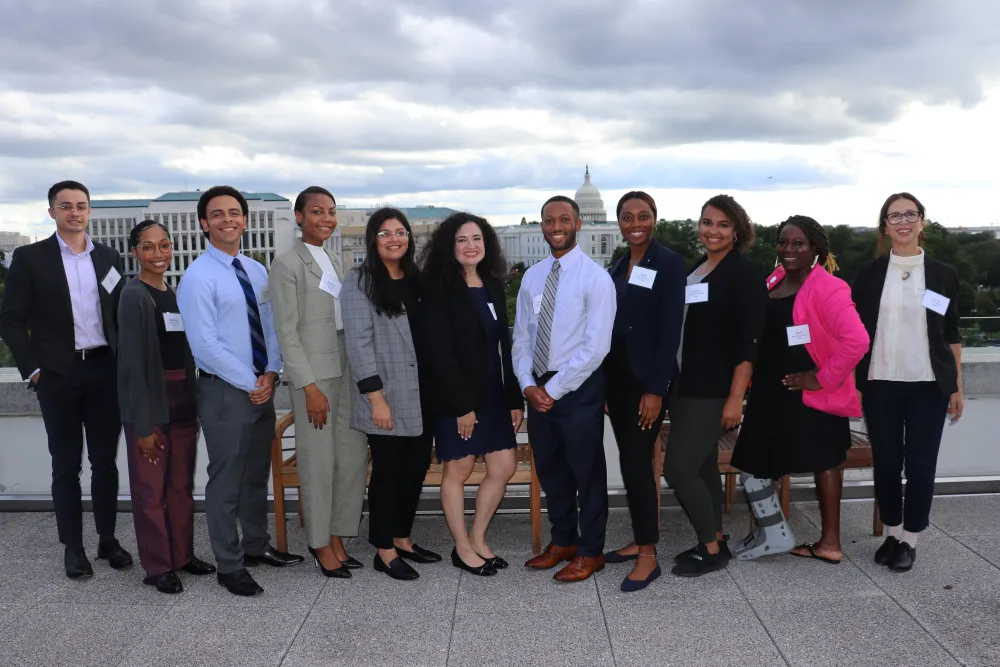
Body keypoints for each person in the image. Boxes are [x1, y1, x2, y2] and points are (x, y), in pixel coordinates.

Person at [0, 180, 133, 579]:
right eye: (66, 206)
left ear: (89, 210)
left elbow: (118, 315)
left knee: (105, 462)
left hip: (103, 370)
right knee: (65, 465)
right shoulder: (30, 257)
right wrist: (34, 369)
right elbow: (9, 318)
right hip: (57, 376)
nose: (74, 212)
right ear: (52, 212)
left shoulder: (108, 257)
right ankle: (72, 548)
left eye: (81, 205)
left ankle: (107, 539)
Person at [177, 186, 303, 597]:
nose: (227, 219)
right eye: (218, 214)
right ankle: (228, 566)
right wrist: (253, 383)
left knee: (254, 476)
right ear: (203, 223)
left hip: (260, 386)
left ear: (245, 220)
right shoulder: (197, 277)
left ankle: (254, 546)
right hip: (225, 392)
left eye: (234, 212)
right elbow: (205, 345)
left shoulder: (255, 269)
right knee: (226, 481)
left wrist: (271, 371)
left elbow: (270, 325)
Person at [731, 216, 869, 566]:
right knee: (756, 459)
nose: (788, 249)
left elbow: (857, 340)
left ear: (816, 250)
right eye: (783, 242)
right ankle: (772, 531)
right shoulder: (774, 279)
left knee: (825, 461)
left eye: (798, 243)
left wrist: (821, 378)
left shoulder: (829, 287)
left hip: (810, 394)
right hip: (769, 391)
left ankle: (830, 543)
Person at [852, 192, 963, 572]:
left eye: (910, 214)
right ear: (885, 225)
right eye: (894, 215)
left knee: (920, 466)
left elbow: (952, 334)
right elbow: (854, 331)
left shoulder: (943, 274)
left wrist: (956, 386)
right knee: (885, 463)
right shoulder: (867, 275)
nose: (902, 221)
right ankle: (893, 532)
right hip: (880, 382)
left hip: (928, 385)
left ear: (922, 221)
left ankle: (911, 539)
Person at [513, 196, 615, 583]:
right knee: (552, 471)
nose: (556, 226)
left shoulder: (595, 278)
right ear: (541, 225)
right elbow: (522, 337)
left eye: (564, 219)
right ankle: (563, 542)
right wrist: (527, 385)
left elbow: (596, 346)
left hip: (578, 388)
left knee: (586, 474)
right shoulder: (533, 276)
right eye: (549, 220)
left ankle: (591, 552)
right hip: (538, 388)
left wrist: (552, 389)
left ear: (578, 224)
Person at [270, 186, 369, 579]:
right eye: (316, 212)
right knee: (318, 461)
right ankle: (319, 543)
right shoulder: (287, 264)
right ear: (299, 216)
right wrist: (308, 386)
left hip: (344, 367)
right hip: (315, 376)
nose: (326, 219)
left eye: (331, 212)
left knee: (350, 455)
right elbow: (287, 333)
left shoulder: (330, 258)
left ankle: (339, 533)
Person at [665, 194, 766, 578]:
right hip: (685, 383)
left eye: (723, 224)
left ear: (738, 231)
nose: (713, 230)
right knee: (704, 466)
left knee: (678, 468)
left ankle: (711, 549)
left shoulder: (743, 274)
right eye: (707, 222)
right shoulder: (700, 268)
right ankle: (716, 536)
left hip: (713, 390)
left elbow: (749, 345)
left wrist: (736, 399)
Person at [420, 212, 525, 577]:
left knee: (503, 466)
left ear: (487, 244)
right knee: (459, 469)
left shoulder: (493, 284)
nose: (470, 246)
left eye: (477, 239)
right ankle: (462, 548)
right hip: (456, 398)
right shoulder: (438, 289)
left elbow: (504, 347)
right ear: (450, 246)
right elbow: (439, 352)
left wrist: (514, 398)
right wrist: (461, 406)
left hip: (494, 394)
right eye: (462, 240)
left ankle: (478, 539)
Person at [341, 207, 442, 581]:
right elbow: (359, 344)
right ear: (372, 239)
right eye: (385, 233)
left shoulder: (418, 281)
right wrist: (376, 398)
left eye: (400, 232)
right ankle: (383, 549)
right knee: (388, 472)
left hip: (422, 394)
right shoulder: (359, 282)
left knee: (415, 470)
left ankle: (402, 537)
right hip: (385, 395)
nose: (394, 238)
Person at [117, 220, 216, 594]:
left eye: (163, 245)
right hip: (151, 405)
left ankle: (182, 556)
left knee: (180, 487)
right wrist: (142, 426)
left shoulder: (171, 293)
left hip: (182, 404)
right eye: (147, 247)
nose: (157, 254)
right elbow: (133, 365)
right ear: (135, 253)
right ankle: (158, 566)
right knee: (150, 491)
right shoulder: (134, 295)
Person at [601, 192, 686, 592]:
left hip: (645, 384)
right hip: (617, 381)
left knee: (637, 465)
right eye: (627, 216)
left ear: (655, 219)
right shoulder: (620, 264)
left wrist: (655, 390)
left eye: (644, 215)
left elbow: (670, 330)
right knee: (632, 464)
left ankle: (648, 556)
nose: (635, 222)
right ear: (618, 221)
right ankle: (639, 539)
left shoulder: (668, 263)